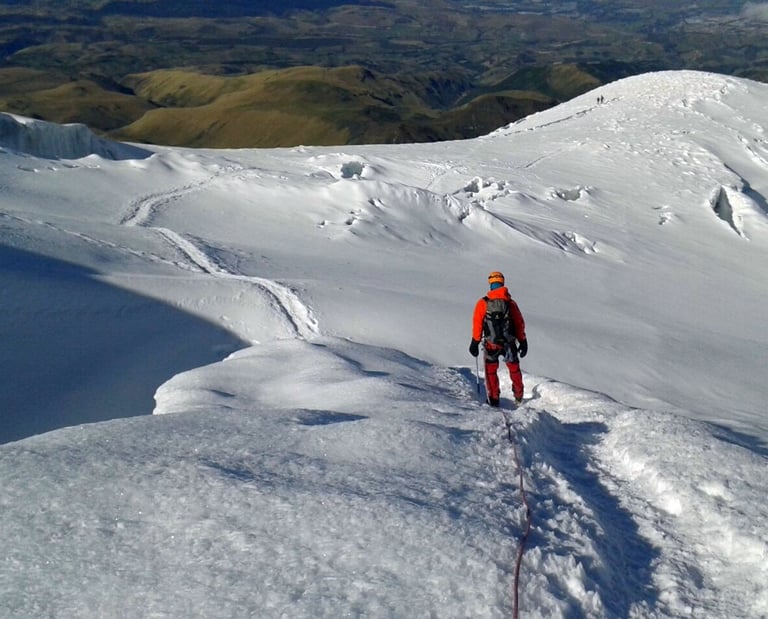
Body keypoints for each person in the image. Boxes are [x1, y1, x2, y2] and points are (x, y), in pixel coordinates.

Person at [469, 271, 528, 407]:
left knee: (490, 371)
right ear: (502, 283)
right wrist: (523, 341)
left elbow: (477, 323)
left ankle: (494, 399)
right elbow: (519, 323)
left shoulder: (483, 303)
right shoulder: (510, 303)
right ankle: (519, 396)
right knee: (514, 369)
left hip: (491, 344)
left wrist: (475, 342)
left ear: (490, 284)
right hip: (509, 343)